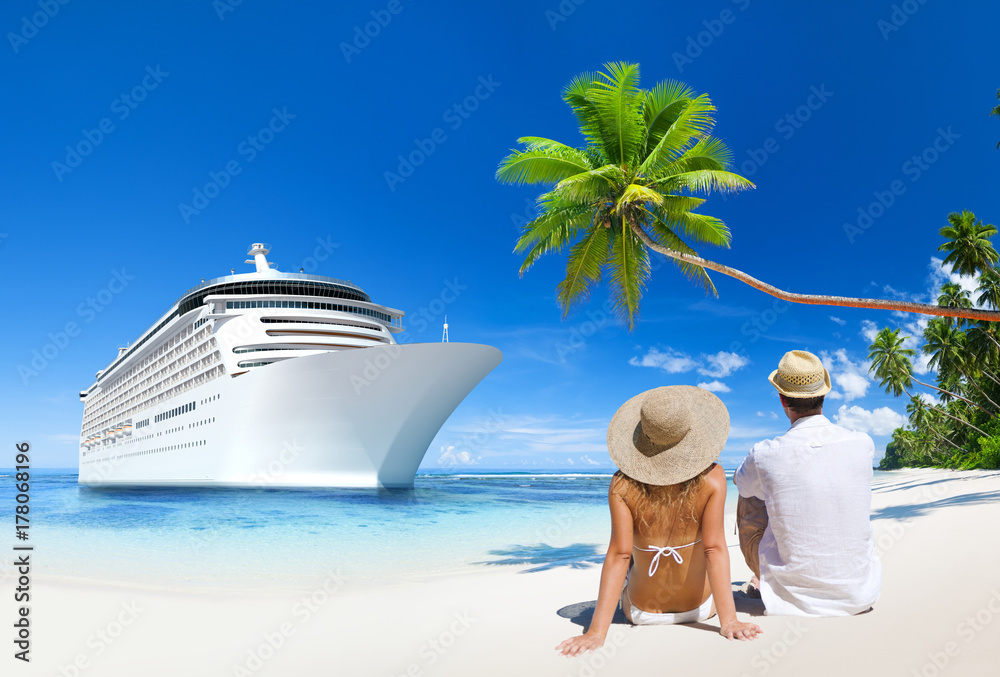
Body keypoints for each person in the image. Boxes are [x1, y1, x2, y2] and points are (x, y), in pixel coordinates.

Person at [557, 386, 762, 657]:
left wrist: (596, 632)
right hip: (701, 611)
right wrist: (730, 622)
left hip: (640, 612)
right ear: (691, 435)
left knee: (629, 559)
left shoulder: (622, 484)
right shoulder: (713, 478)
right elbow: (713, 550)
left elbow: (619, 555)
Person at [734, 350, 882, 616]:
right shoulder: (862, 443)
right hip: (860, 593)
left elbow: (740, 484)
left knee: (747, 492)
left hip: (792, 600)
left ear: (782, 400)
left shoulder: (764, 453)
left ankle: (767, 575)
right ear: (823, 395)